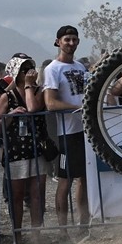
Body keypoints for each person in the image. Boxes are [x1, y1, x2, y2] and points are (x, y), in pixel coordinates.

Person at [0, 55, 54, 244]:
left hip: (37, 149)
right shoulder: (7, 96)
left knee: (37, 195)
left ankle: (36, 235)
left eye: (30, 67)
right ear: (15, 73)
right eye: (23, 69)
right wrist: (10, 116)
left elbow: (32, 107)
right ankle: (17, 236)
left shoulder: (38, 91)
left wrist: (29, 85)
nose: (28, 72)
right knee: (17, 196)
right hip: (15, 151)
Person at [43, 25, 90, 227]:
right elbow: (50, 102)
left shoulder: (80, 67)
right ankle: (63, 229)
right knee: (65, 180)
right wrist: (78, 107)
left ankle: (84, 222)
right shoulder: (52, 69)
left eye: (74, 39)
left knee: (85, 178)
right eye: (67, 39)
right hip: (66, 132)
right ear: (58, 42)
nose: (71, 43)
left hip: (85, 130)